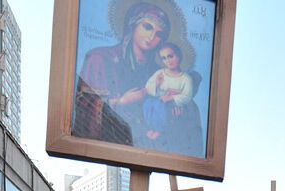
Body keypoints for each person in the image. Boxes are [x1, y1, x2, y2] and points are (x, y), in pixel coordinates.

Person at [73, 3, 171, 146]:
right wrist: (121, 102)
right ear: (133, 25)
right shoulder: (99, 58)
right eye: (147, 27)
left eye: (159, 34)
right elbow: (84, 108)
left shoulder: (159, 73)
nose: (151, 37)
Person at [144, 43, 194, 141]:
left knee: (160, 106)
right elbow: (148, 88)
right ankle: (151, 128)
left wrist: (171, 98)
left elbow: (187, 96)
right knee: (148, 103)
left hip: (172, 105)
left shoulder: (185, 78)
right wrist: (157, 84)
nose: (168, 61)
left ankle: (159, 129)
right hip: (158, 101)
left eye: (170, 56)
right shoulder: (160, 73)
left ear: (179, 56)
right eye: (164, 58)